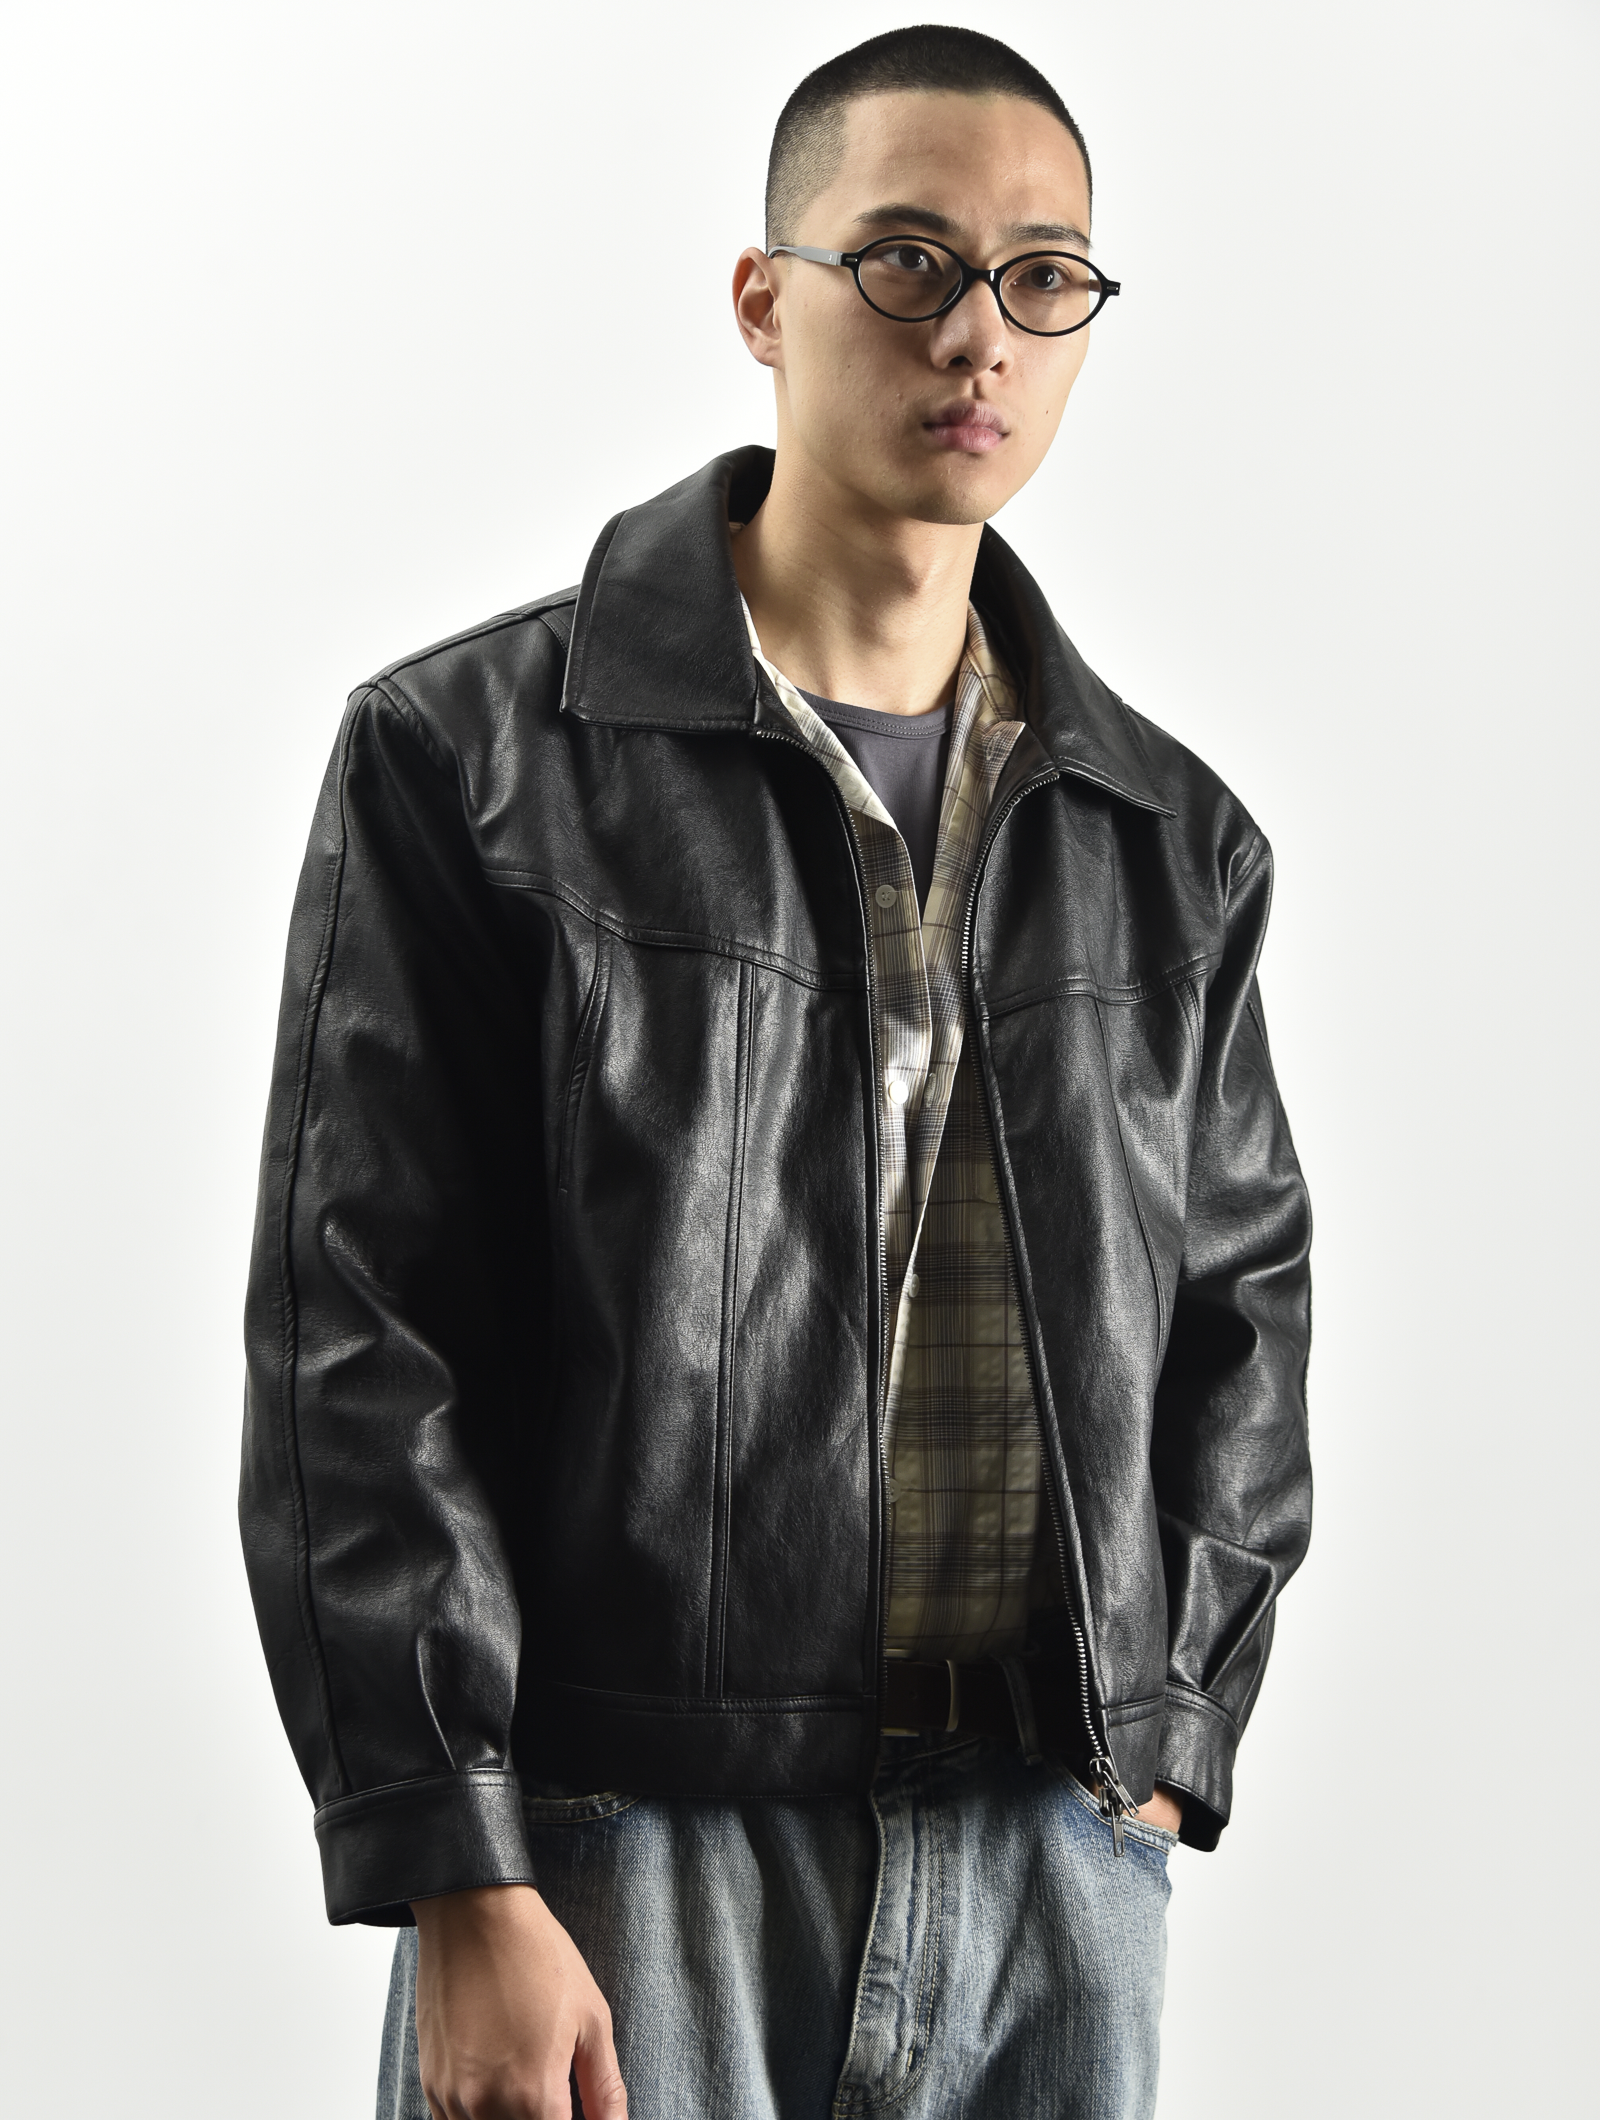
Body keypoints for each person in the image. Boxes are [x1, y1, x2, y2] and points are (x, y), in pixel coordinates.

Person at [241, 24, 1312, 2120]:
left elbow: (1241, 1306)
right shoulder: (469, 763)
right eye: (906, 261)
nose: (977, 333)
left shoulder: (1168, 842)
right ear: (763, 298)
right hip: (622, 1852)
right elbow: (355, 1334)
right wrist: (461, 1860)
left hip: (1047, 1856)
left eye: (1041, 277)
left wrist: (1165, 1741)